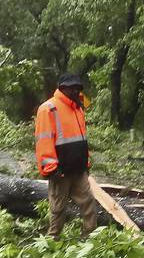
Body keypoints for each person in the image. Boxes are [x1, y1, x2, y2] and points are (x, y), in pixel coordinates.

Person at [35, 73, 99, 237]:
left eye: (78, 88)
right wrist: (50, 169)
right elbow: (43, 140)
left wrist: (86, 163)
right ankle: (51, 243)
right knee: (58, 210)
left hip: (78, 169)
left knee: (89, 204)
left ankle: (90, 239)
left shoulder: (78, 108)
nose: (76, 91)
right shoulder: (48, 108)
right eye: (73, 88)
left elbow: (82, 138)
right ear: (62, 88)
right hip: (60, 171)